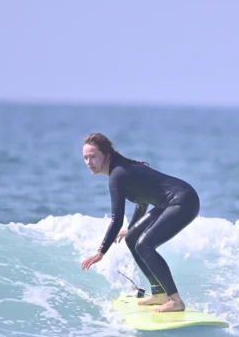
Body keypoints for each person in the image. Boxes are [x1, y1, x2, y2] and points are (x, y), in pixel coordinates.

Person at [79, 132, 199, 313]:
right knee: (133, 238)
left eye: (93, 156)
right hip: (171, 203)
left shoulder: (117, 174)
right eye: (85, 158)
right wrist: (132, 228)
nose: (89, 162)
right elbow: (141, 203)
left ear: (107, 155)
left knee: (145, 245)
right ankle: (159, 293)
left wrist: (100, 252)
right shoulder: (121, 170)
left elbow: (116, 218)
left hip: (183, 201)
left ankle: (175, 300)